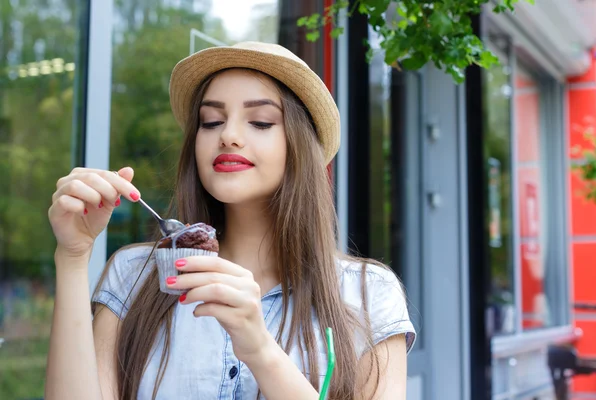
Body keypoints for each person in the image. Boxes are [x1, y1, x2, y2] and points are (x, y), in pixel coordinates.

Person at [45, 41, 416, 400]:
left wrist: (259, 349)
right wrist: (73, 256)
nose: (228, 135)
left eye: (259, 121)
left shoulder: (368, 295)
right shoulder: (135, 277)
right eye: (211, 121)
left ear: (300, 146)